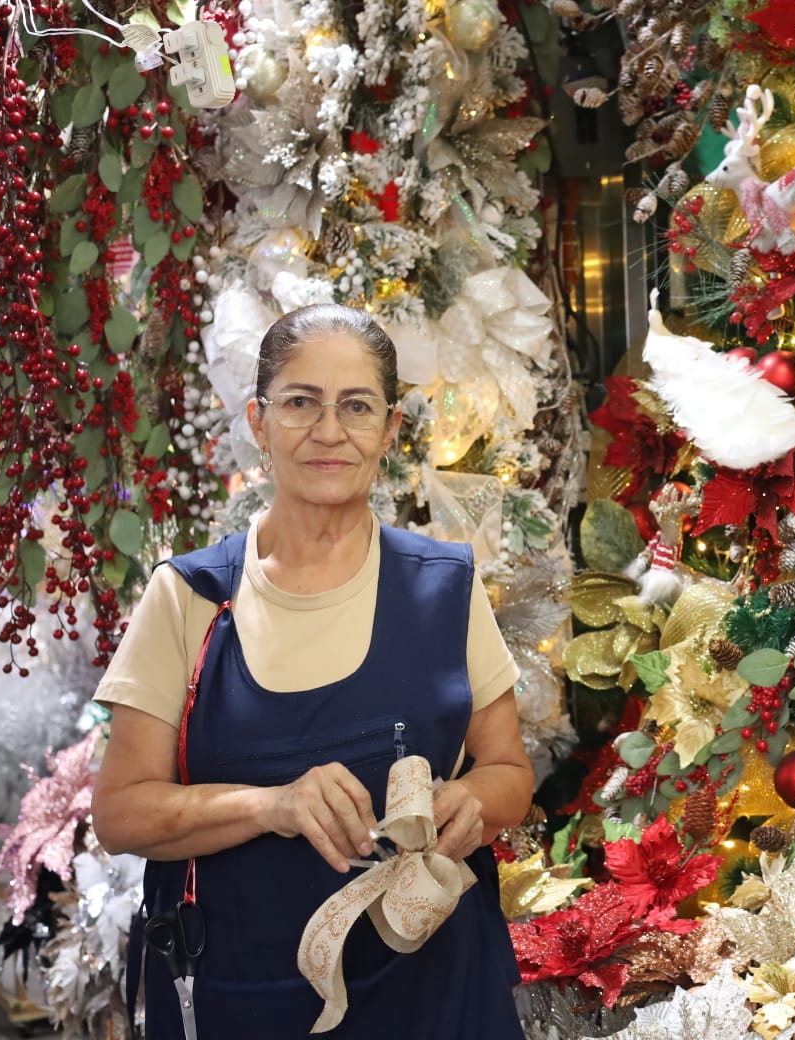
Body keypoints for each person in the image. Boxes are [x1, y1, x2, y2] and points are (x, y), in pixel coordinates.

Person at [91, 304, 532, 1038]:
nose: (329, 432)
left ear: (390, 431)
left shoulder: (443, 587)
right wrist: (272, 806)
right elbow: (121, 812)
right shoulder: (191, 599)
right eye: (301, 403)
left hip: (432, 995)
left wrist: (469, 806)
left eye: (357, 407)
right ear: (260, 424)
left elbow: (510, 774)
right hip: (241, 999)